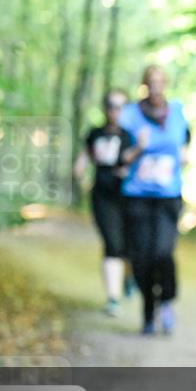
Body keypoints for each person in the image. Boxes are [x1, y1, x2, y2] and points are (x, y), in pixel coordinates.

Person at [119, 65, 191, 336]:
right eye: (151, 81)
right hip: (137, 197)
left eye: (161, 81)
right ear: (144, 85)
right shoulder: (130, 115)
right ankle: (148, 312)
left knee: (163, 253)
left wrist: (185, 155)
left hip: (168, 197)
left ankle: (167, 301)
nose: (156, 86)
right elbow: (119, 158)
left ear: (166, 84)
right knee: (142, 259)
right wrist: (138, 148)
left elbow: (185, 141)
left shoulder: (178, 112)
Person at [74, 89, 133, 316]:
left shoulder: (130, 136)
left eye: (120, 106)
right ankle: (113, 298)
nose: (115, 111)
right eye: (111, 105)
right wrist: (80, 170)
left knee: (128, 244)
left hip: (128, 196)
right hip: (102, 195)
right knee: (112, 242)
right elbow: (85, 156)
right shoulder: (95, 133)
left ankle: (128, 276)